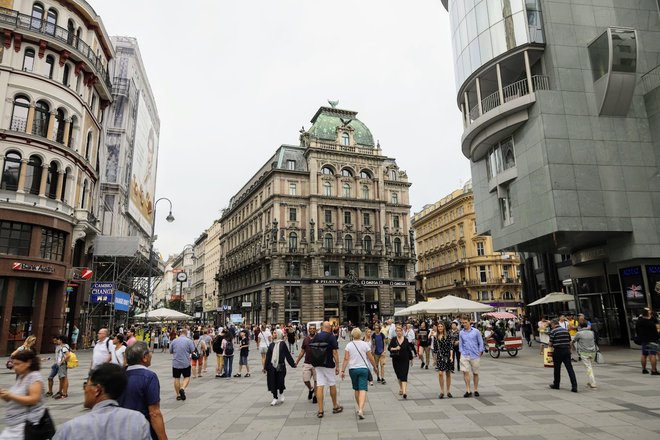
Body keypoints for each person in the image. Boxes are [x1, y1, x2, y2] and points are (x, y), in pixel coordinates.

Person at [54, 363, 150, 440]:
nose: (84, 390)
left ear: (97, 390)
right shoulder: (138, 421)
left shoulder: (71, 428)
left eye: (86, 385)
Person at [118, 342, 168, 440]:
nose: (151, 355)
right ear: (144, 357)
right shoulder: (149, 377)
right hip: (141, 430)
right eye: (150, 352)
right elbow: (154, 413)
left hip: (120, 429)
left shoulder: (118, 375)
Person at [0, 350, 46, 439]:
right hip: (14, 425)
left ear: (28, 363)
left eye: (18, 364)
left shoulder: (34, 376)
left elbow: (34, 399)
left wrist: (10, 396)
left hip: (26, 425)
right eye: (14, 364)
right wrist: (5, 396)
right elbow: (17, 397)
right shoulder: (21, 376)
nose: (15, 367)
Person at [341, 328, 378, 419]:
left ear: (352, 335)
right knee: (363, 389)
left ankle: (359, 408)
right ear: (360, 335)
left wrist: (342, 370)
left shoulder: (349, 345)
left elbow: (346, 359)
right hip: (363, 369)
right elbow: (370, 357)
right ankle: (361, 409)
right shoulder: (365, 344)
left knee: (356, 389)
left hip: (353, 369)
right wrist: (375, 367)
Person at [313, 321, 343, 418]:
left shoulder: (316, 336)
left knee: (320, 385)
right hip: (328, 363)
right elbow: (335, 352)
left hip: (318, 363)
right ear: (329, 327)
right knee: (332, 384)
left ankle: (320, 410)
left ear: (322, 327)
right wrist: (337, 366)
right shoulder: (331, 337)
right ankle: (335, 406)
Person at [264, 329, 296, 406]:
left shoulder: (282, 344)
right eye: (273, 333)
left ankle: (281, 392)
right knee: (273, 382)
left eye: (275, 333)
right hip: (272, 366)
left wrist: (292, 364)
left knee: (280, 381)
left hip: (281, 366)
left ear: (278, 334)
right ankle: (275, 397)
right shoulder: (271, 345)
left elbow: (287, 355)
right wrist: (265, 367)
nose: (273, 334)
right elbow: (268, 356)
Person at [548, 319, 578, 392]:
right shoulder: (565, 330)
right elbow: (570, 341)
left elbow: (550, 344)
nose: (551, 327)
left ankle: (556, 384)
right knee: (570, 368)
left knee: (557, 369)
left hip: (557, 351)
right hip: (566, 351)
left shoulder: (553, 331)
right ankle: (574, 386)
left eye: (551, 325)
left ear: (553, 324)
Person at [459, 317, 484, 398]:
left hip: (475, 354)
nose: (464, 324)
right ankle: (468, 390)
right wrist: (461, 351)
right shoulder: (461, 333)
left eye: (465, 322)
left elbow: (481, 342)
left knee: (475, 373)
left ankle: (476, 389)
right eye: (463, 323)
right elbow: (461, 344)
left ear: (469, 322)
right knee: (465, 371)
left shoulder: (476, 331)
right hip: (465, 354)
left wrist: (480, 352)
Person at [169, 328, 195, 401]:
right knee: (187, 377)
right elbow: (193, 351)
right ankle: (182, 388)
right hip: (185, 362)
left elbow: (170, 351)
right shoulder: (189, 341)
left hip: (176, 363)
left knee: (177, 378)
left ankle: (178, 395)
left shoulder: (174, 341)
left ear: (180, 333)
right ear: (186, 333)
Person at [295, 323, 318, 403]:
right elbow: (302, 351)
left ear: (315, 330)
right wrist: (297, 361)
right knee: (305, 380)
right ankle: (311, 389)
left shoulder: (318, 338)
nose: (312, 330)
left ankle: (315, 395)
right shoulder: (306, 339)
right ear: (308, 330)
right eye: (310, 328)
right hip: (307, 363)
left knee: (316, 381)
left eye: (313, 328)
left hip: (316, 364)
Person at [572, 322, 598, 389]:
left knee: (588, 367)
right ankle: (590, 381)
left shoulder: (579, 333)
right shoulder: (591, 332)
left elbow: (573, 341)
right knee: (590, 366)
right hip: (592, 352)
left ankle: (593, 382)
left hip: (584, 352)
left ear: (580, 326)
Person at [388, 325, 412, 399]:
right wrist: (395, 348)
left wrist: (411, 359)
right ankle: (401, 388)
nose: (398, 332)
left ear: (402, 331)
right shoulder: (393, 340)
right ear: (395, 332)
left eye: (400, 331)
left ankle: (404, 392)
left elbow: (409, 350)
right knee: (399, 375)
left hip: (405, 360)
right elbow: (389, 348)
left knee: (404, 375)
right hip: (396, 360)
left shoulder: (406, 340)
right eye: (397, 331)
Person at [635, 308, 659, 375]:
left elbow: (637, 330)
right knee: (652, 354)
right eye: (649, 311)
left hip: (644, 340)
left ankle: (644, 369)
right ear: (647, 313)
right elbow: (655, 331)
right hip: (652, 340)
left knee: (644, 354)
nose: (650, 312)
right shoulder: (650, 322)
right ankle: (654, 370)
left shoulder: (639, 321)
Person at [433, 321, 454, 399]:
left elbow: (451, 347)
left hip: (448, 356)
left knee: (448, 373)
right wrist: (435, 360)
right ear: (437, 328)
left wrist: (451, 356)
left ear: (444, 327)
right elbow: (435, 349)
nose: (440, 328)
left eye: (441, 326)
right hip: (440, 357)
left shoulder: (448, 335)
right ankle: (442, 391)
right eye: (439, 327)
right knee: (440, 373)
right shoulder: (436, 337)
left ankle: (448, 391)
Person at [48, 335, 71, 400]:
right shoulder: (65, 346)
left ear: (61, 340)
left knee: (64, 378)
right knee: (63, 377)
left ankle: (64, 393)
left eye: (59, 340)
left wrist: (62, 361)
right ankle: (63, 393)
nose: (57, 341)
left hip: (62, 365)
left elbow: (68, 355)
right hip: (61, 364)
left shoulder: (64, 347)